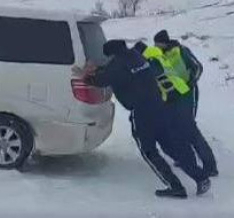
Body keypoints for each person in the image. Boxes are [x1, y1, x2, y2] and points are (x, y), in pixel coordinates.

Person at [80, 40, 211, 198]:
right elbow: (117, 71)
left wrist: (85, 77)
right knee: (170, 147)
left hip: (142, 112)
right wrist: (101, 69)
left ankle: (175, 187)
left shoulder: (117, 65)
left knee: (149, 151)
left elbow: (101, 80)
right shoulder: (136, 57)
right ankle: (201, 177)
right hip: (159, 106)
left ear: (111, 54)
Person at [153, 30, 219, 177]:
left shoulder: (181, 51)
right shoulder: (160, 56)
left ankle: (210, 165)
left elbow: (198, 67)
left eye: (158, 43)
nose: (156, 46)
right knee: (175, 128)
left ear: (164, 42)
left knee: (190, 129)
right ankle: (187, 159)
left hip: (188, 95)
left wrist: (190, 83)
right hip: (173, 96)